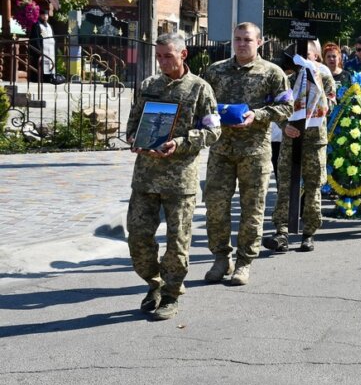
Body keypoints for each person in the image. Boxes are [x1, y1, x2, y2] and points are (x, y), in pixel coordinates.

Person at [125, 33, 221, 320]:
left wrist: (180, 142)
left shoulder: (199, 89)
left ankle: (171, 293)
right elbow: (133, 121)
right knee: (138, 237)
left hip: (180, 180)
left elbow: (213, 131)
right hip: (145, 177)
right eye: (159, 56)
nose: (162, 62)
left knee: (177, 241)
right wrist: (134, 137)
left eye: (168, 56)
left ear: (183, 54)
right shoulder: (148, 85)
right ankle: (154, 283)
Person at [202, 23, 293, 286]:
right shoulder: (215, 71)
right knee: (216, 207)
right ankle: (221, 258)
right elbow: (203, 104)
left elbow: (287, 106)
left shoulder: (273, 73)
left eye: (247, 40)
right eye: (238, 39)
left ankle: (244, 262)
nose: (242, 44)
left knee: (252, 210)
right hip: (221, 150)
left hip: (255, 152)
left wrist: (259, 115)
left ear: (260, 42)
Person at [263, 41, 333, 254]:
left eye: (305, 55)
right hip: (290, 140)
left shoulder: (324, 77)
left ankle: (308, 233)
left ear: (315, 56)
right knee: (285, 185)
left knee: (312, 187)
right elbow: (278, 107)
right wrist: (285, 126)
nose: (299, 59)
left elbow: (330, 103)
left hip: (314, 141)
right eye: (296, 56)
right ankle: (281, 232)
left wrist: (316, 90)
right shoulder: (288, 79)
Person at [28, 6, 56, 84]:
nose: (45, 16)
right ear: (40, 15)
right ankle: (38, 78)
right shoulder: (37, 25)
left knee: (50, 63)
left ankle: (49, 78)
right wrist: (39, 50)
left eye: (46, 15)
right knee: (40, 64)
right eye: (43, 15)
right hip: (41, 49)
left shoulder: (50, 26)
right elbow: (35, 38)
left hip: (50, 50)